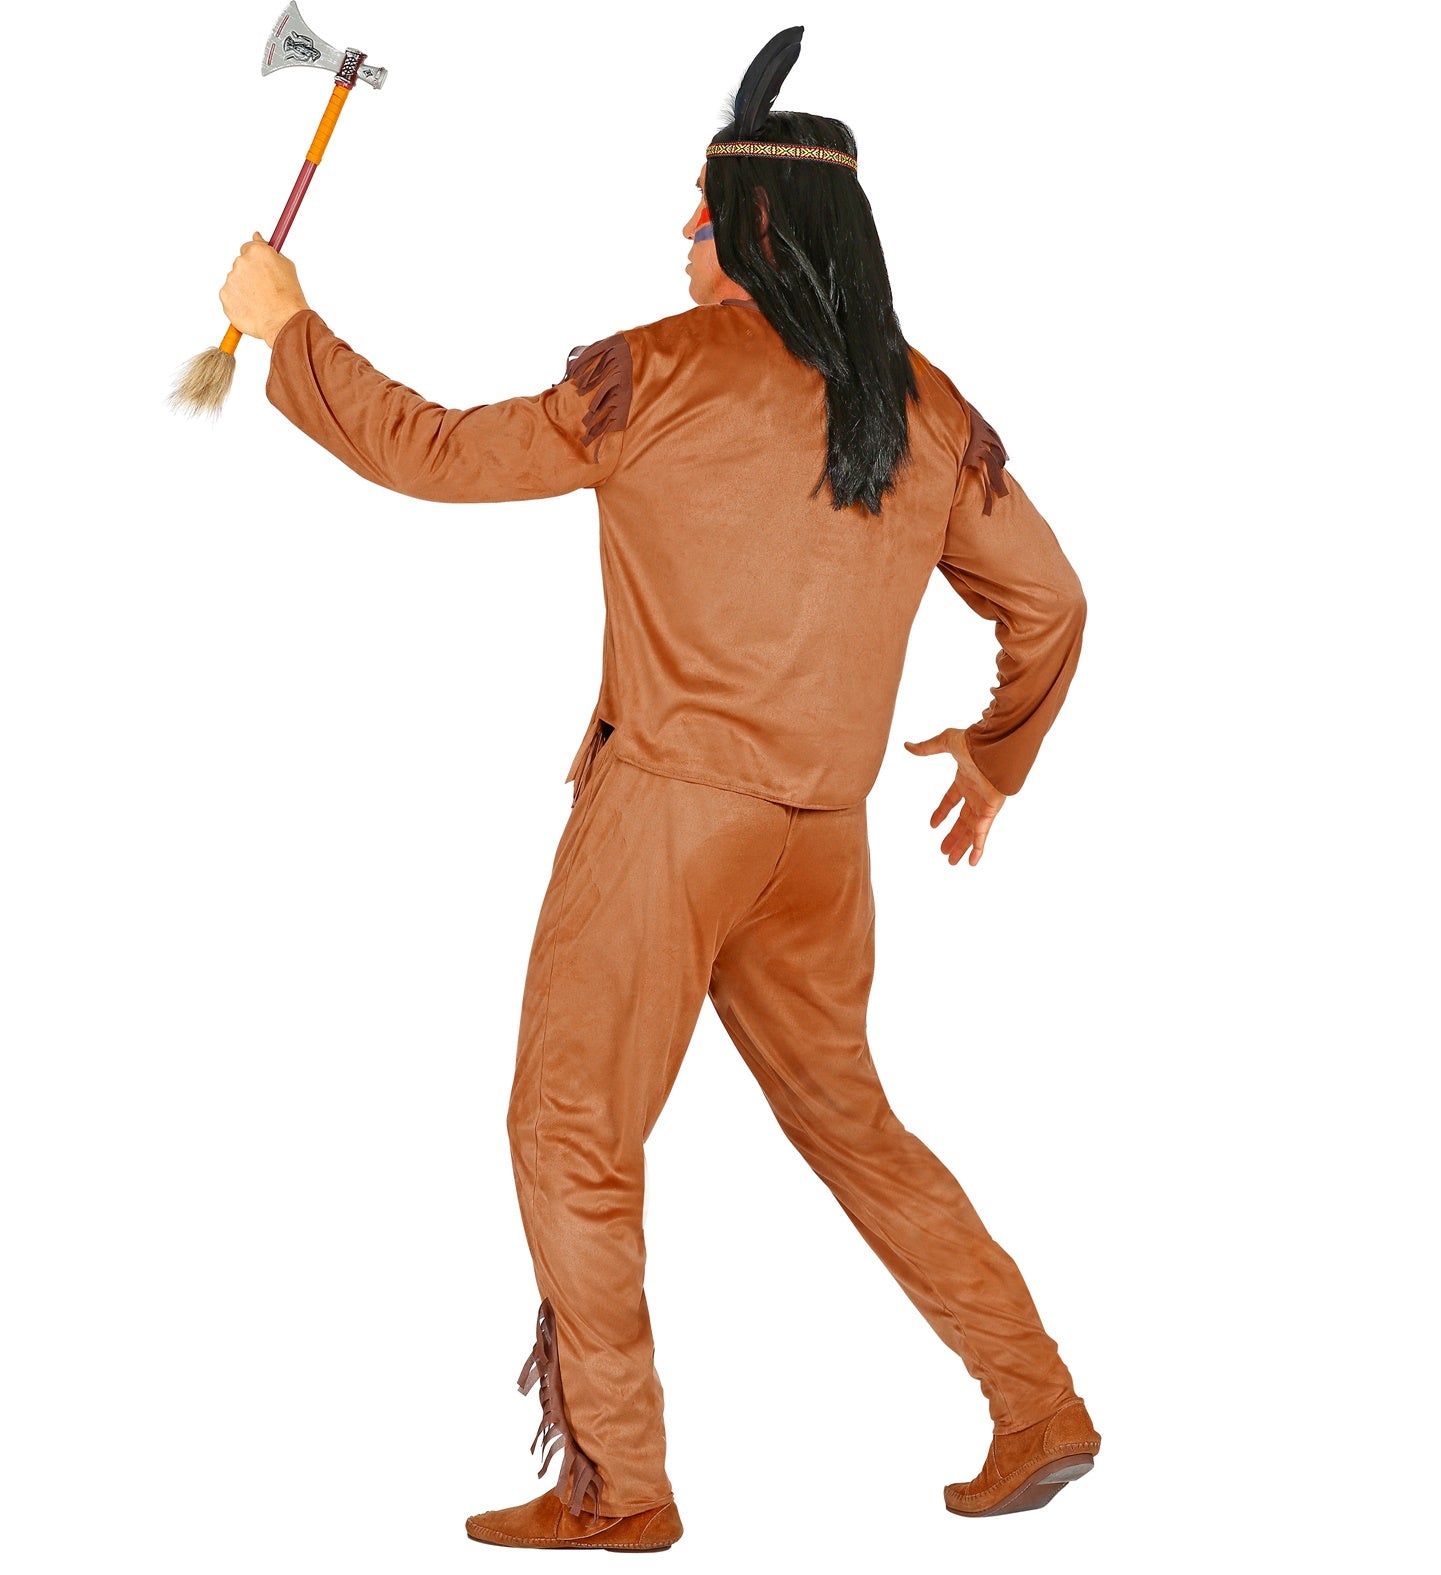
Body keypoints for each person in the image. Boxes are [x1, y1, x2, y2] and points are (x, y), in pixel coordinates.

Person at [218, 24, 1099, 1555]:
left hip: (669, 820)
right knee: (852, 1124)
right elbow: (1054, 600)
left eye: (696, 210)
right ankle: (1037, 1403)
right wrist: (995, 752)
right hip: (820, 846)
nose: (679, 231)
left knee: (568, 1130)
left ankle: (618, 1485)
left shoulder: (666, 373)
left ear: (749, 224)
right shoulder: (921, 404)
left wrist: (287, 329)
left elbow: (431, 453)